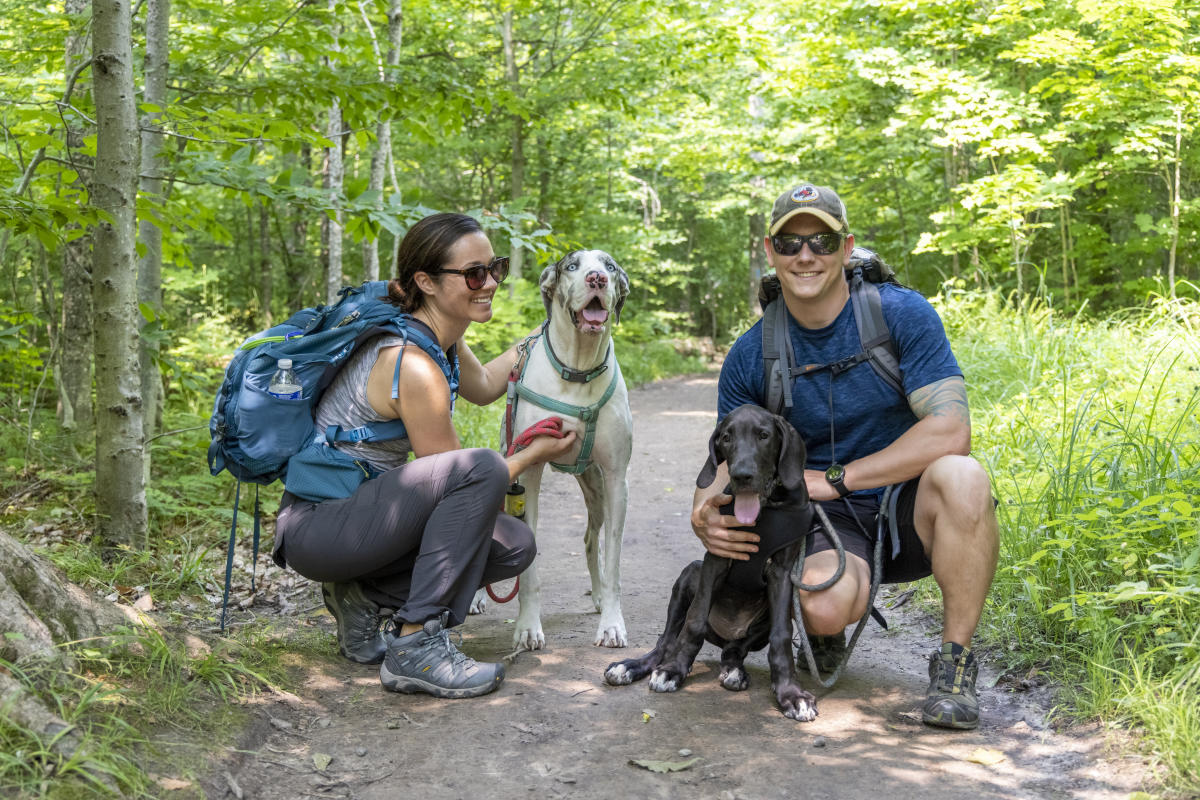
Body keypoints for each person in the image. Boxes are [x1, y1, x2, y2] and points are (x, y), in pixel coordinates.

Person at [691, 182, 999, 729]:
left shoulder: (902, 316)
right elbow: (723, 463)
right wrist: (702, 514)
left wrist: (838, 477)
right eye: (789, 242)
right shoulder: (750, 353)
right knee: (827, 605)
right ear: (770, 251)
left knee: (965, 476)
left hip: (907, 503)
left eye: (821, 240)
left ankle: (954, 664)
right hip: (822, 519)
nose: (805, 255)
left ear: (846, 245)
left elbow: (950, 431)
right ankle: (822, 630)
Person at [273, 212, 576, 699]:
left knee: (514, 544)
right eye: (474, 274)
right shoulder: (411, 363)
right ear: (425, 282)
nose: (491, 282)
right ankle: (416, 647)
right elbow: (463, 482)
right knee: (479, 470)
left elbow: (485, 387)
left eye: (495, 268)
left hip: (357, 518)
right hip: (319, 525)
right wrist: (533, 454)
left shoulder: (442, 340)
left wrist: (551, 336)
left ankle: (361, 598)